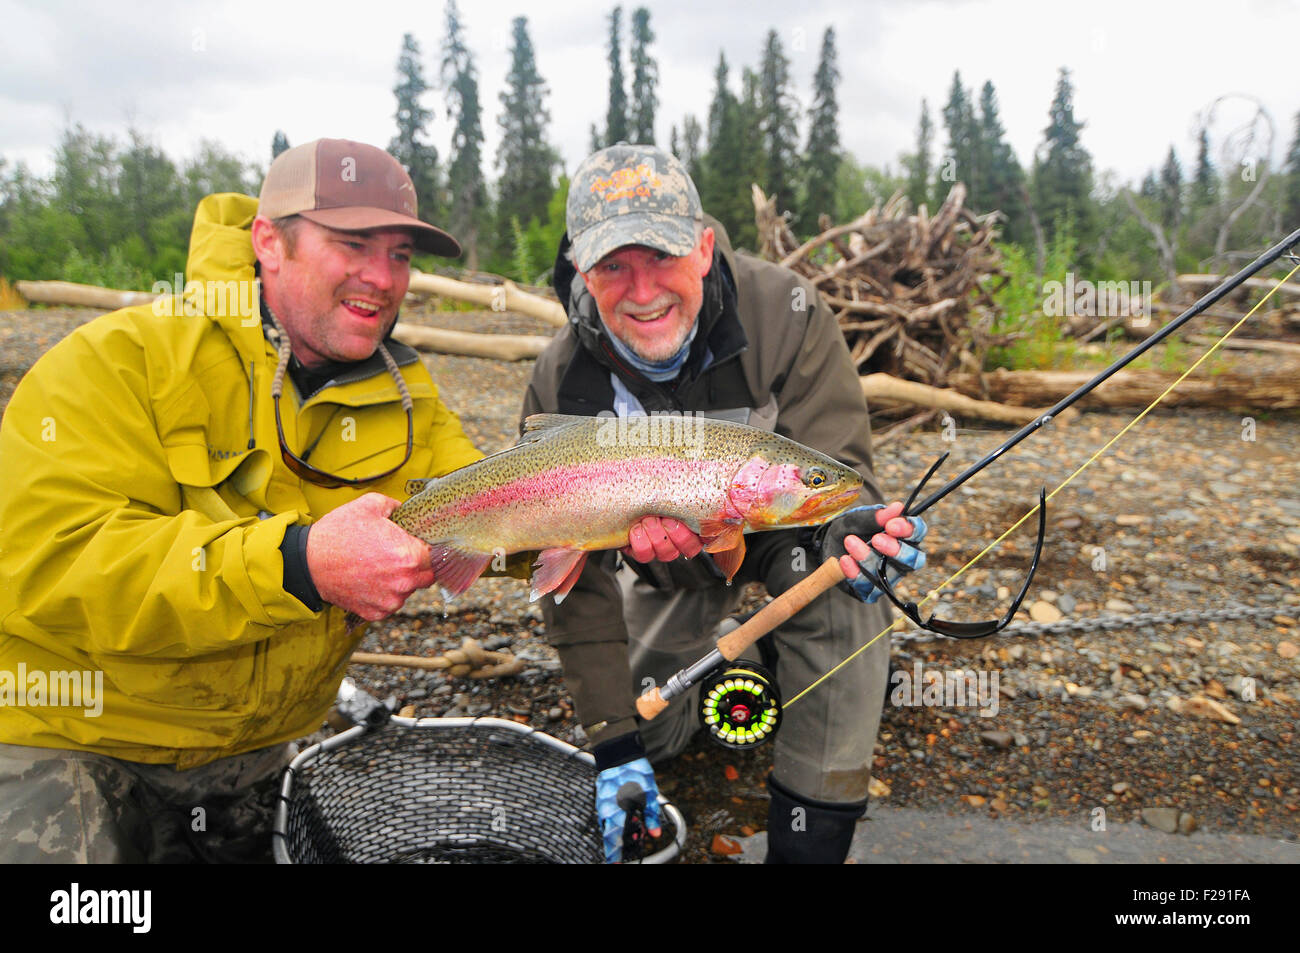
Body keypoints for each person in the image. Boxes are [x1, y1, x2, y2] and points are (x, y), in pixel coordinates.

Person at [0, 138, 488, 862]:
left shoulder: (405, 398)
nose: (382, 278)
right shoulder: (118, 359)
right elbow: (53, 566)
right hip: (75, 738)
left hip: (252, 753)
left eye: (401, 256)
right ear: (269, 241)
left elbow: (498, 515)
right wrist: (298, 564)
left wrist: (621, 518)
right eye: (353, 243)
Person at [521, 143, 929, 864]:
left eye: (663, 256)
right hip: (659, 568)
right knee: (648, 729)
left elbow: (840, 476)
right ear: (583, 270)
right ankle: (755, 657)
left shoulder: (789, 313)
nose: (642, 290)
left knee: (848, 585)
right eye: (614, 265)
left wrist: (854, 529)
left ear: (705, 248)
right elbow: (572, 585)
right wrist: (613, 739)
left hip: (780, 540)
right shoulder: (561, 377)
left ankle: (811, 835)